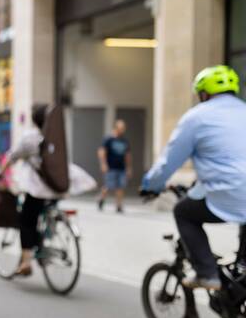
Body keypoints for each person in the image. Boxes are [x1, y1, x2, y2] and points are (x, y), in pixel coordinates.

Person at [141, 65, 246, 291]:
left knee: (184, 212)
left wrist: (150, 185)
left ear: (203, 93)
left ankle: (207, 273)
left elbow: (169, 161)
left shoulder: (196, 117)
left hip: (229, 192)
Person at [0, 104, 52, 277]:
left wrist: (0, 174)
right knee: (38, 215)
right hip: (56, 187)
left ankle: (26, 262)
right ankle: (41, 242)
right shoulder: (55, 136)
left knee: (27, 221)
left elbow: (12, 157)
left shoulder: (30, 138)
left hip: (38, 189)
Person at [97, 120, 132, 213]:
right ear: (116, 128)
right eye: (120, 128)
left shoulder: (124, 141)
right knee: (108, 186)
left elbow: (127, 155)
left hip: (121, 167)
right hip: (110, 167)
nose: (122, 130)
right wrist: (103, 164)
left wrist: (128, 168)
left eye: (123, 128)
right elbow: (102, 152)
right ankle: (101, 199)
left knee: (120, 187)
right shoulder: (108, 139)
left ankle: (119, 206)